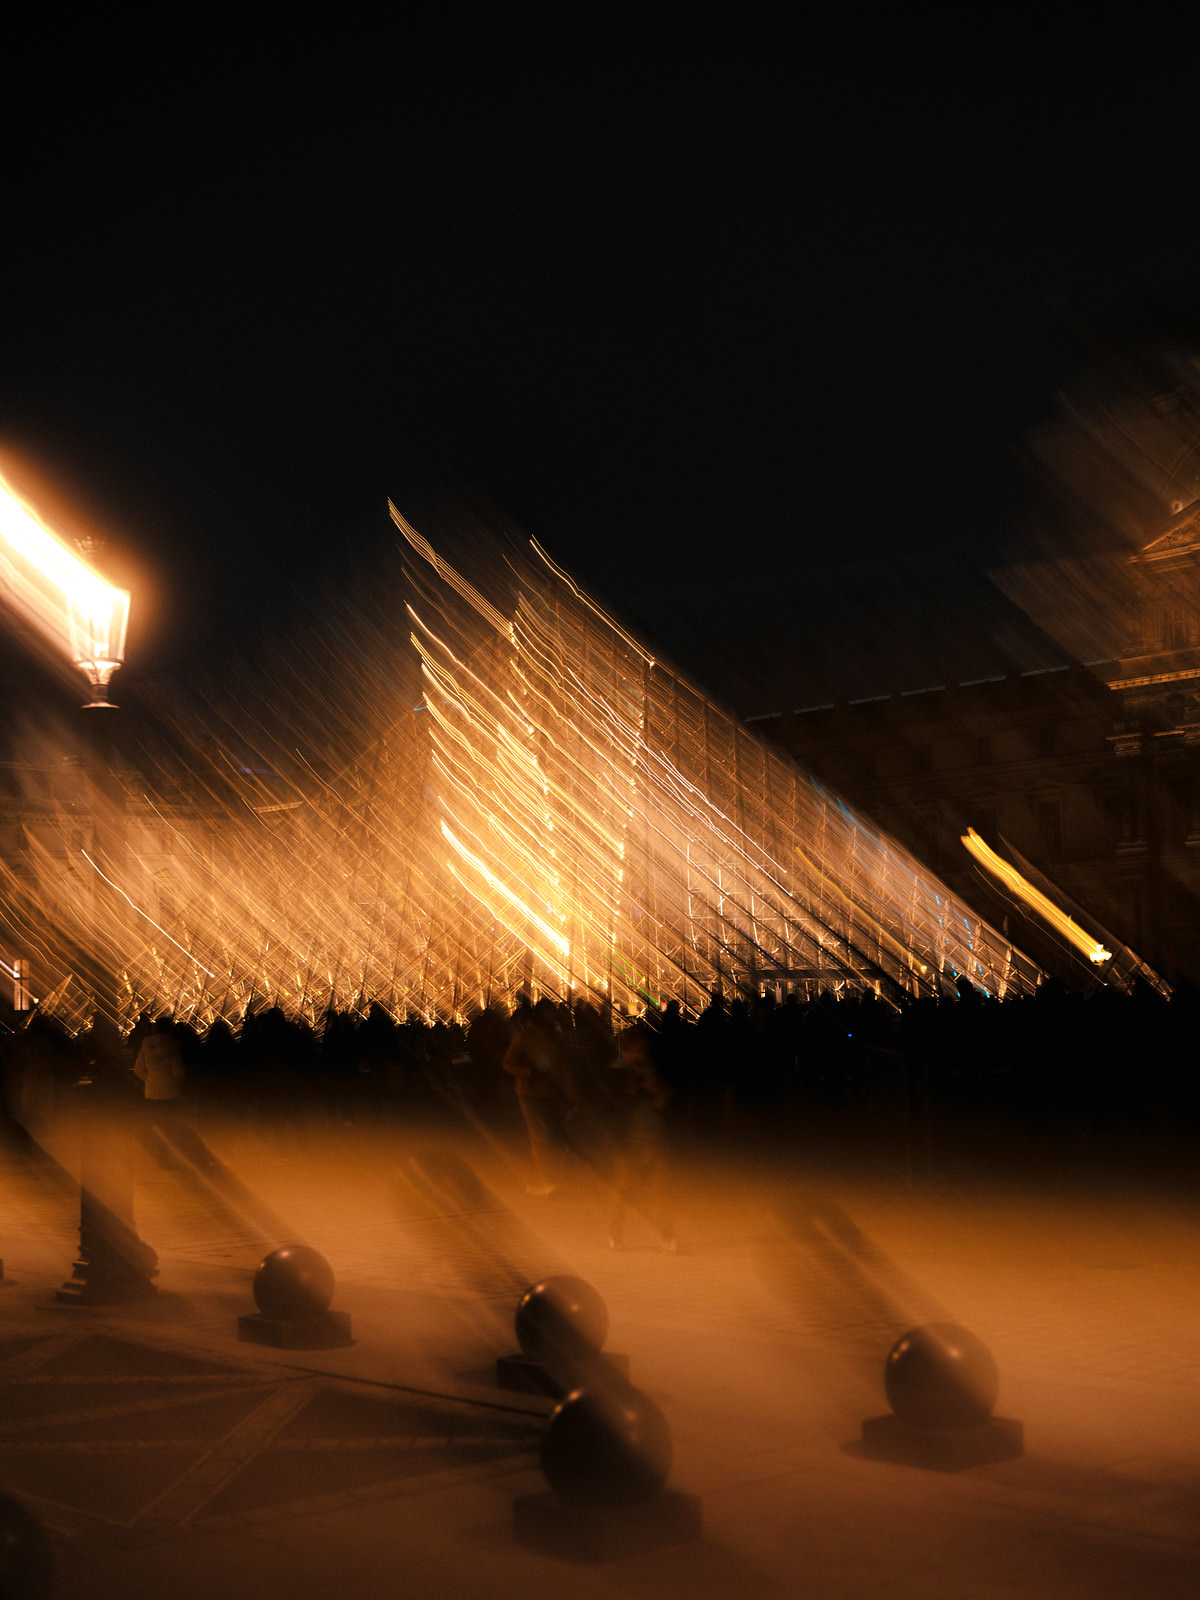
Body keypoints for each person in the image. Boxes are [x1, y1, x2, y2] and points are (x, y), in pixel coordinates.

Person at [608, 1022, 677, 1252]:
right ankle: (615, 1232)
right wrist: (640, 1087)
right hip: (628, 1142)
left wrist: (661, 1093)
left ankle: (667, 1234)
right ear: (626, 1051)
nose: (641, 1056)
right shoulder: (617, 1073)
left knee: (662, 1189)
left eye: (644, 1051)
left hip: (655, 1139)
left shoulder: (651, 1070)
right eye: (637, 1051)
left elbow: (666, 1099)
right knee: (623, 1189)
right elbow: (616, 1104)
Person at [503, 998, 574, 1195]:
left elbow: (563, 1068)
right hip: (529, 1093)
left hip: (549, 1091)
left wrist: (570, 1094)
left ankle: (535, 1180)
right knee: (540, 1138)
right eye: (549, 1014)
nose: (552, 1017)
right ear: (541, 1015)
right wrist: (530, 1073)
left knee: (550, 1136)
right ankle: (545, 1181)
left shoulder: (554, 1036)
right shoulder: (524, 1037)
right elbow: (508, 1064)